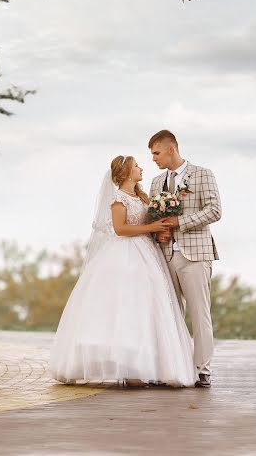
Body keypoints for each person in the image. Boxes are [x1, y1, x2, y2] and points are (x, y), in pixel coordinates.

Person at [50, 155, 197, 387]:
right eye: (137, 166)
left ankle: (141, 366)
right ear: (128, 173)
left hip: (146, 252)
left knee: (145, 307)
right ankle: (128, 368)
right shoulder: (118, 198)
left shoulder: (141, 196)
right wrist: (152, 226)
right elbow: (120, 229)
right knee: (124, 308)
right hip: (124, 254)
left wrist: (160, 226)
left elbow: (145, 223)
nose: (141, 168)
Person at [148, 130, 222, 388]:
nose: (153, 159)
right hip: (165, 256)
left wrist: (180, 222)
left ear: (171, 149)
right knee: (170, 314)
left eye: (156, 153)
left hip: (196, 255)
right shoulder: (157, 183)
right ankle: (174, 368)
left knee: (200, 314)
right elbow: (152, 218)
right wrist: (160, 230)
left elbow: (214, 211)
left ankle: (203, 370)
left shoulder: (203, 174)